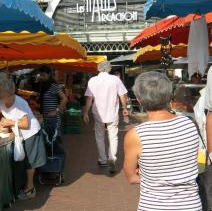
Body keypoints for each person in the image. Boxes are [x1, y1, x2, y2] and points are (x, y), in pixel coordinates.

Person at [124, 71, 201, 211]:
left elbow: (131, 177)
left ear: (139, 100)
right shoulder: (190, 124)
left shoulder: (135, 135)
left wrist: (149, 176)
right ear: (169, 97)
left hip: (153, 206)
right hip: (190, 205)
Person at [83, 61, 128, 173]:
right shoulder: (115, 79)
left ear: (98, 69)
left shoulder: (92, 80)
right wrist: (125, 108)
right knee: (113, 136)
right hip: (112, 112)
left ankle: (102, 160)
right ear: (109, 69)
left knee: (99, 136)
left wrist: (85, 112)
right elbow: (122, 95)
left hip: (98, 113)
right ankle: (112, 158)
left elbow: (89, 98)